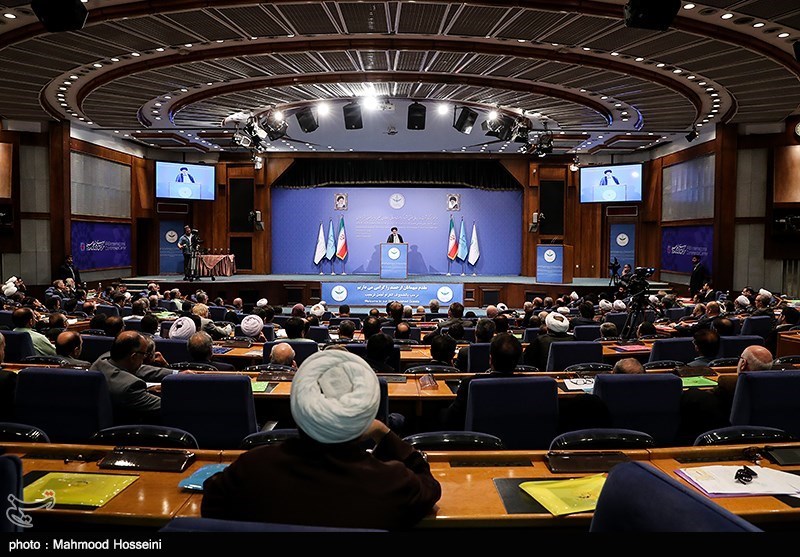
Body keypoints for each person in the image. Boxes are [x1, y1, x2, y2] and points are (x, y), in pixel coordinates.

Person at [201, 349, 441, 530]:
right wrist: (384, 433)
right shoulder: (392, 481)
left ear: (298, 407)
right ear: (363, 418)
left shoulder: (252, 468)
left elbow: (212, 504)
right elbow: (429, 485)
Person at [89, 331, 174, 424]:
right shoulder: (130, 387)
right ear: (133, 357)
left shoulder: (103, 360)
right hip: (124, 429)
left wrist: (174, 373)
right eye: (144, 355)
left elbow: (139, 369)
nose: (143, 360)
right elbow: (169, 407)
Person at [443, 333, 523, 429]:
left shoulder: (469, 384)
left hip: (476, 437)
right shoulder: (531, 386)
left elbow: (452, 419)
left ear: (490, 359)